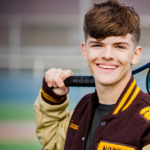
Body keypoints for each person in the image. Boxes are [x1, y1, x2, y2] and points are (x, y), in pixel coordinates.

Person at [34, 0, 150, 150]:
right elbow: (54, 143)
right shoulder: (82, 109)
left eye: (119, 46)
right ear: (85, 51)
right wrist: (53, 98)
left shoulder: (145, 121)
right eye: (97, 45)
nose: (107, 55)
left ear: (135, 54)